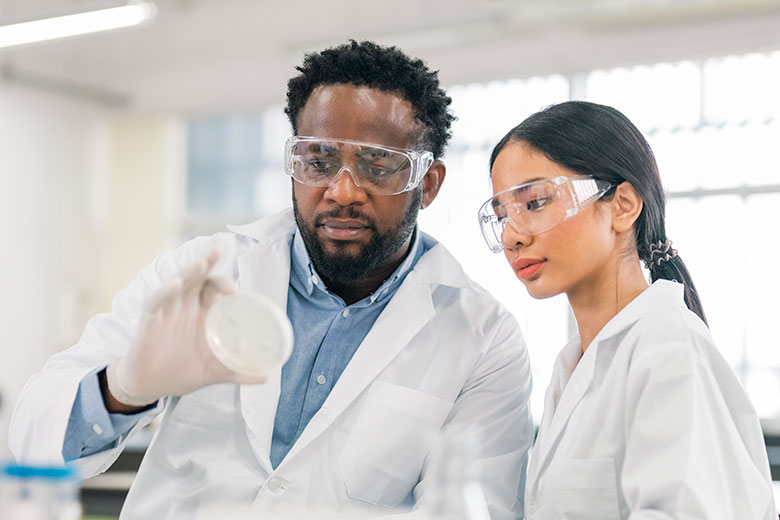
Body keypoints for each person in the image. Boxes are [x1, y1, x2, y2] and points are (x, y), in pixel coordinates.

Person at [9, 41, 534, 519]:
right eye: (319, 161)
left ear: (429, 183)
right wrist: (123, 388)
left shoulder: (483, 337)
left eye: (378, 166)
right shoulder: (203, 273)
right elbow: (34, 438)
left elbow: (476, 509)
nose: (342, 191)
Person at [478, 100, 776, 519]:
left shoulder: (668, 350)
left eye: (535, 202)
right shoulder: (574, 366)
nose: (512, 236)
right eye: (501, 216)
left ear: (622, 206)